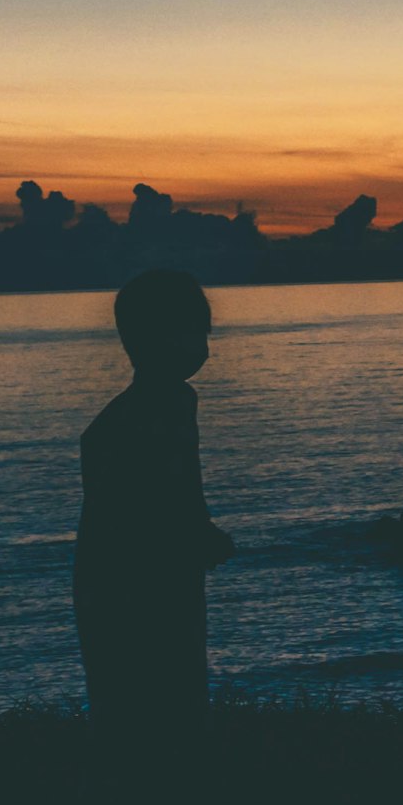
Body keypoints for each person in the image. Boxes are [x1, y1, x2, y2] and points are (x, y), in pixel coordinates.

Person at [74, 269, 234, 731]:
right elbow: (154, 497)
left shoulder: (170, 403)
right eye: (181, 333)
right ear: (139, 340)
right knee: (149, 697)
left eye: (199, 334)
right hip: (129, 581)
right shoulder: (150, 412)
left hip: (143, 574)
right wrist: (196, 534)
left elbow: (179, 490)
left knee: (165, 691)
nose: (195, 347)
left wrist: (200, 531)